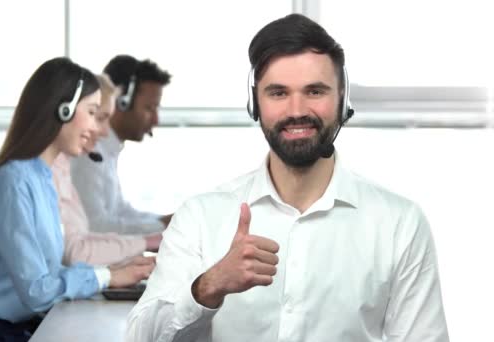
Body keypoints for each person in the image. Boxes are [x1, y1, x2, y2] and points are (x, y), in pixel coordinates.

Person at [126, 14, 449, 342]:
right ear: (255, 103)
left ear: (342, 100)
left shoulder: (399, 223)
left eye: (315, 91)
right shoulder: (200, 217)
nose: (296, 110)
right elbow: (140, 337)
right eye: (278, 93)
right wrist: (209, 286)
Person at [0, 57, 153, 342]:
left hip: (16, 324)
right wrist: (109, 277)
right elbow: (37, 291)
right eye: (92, 112)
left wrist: (113, 272)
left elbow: (48, 274)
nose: (100, 130)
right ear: (63, 110)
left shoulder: (41, 178)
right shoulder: (12, 182)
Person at [52, 73, 162, 268]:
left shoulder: (62, 171)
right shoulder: (47, 175)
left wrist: (155, 234)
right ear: (65, 113)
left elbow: (82, 240)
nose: (103, 131)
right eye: (98, 116)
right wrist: (148, 241)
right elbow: (75, 250)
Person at [71, 55, 173, 235]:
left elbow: (120, 211)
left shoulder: (108, 151)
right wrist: (162, 226)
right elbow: (95, 226)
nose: (156, 120)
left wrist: (167, 222)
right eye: (149, 108)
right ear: (122, 102)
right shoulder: (89, 154)